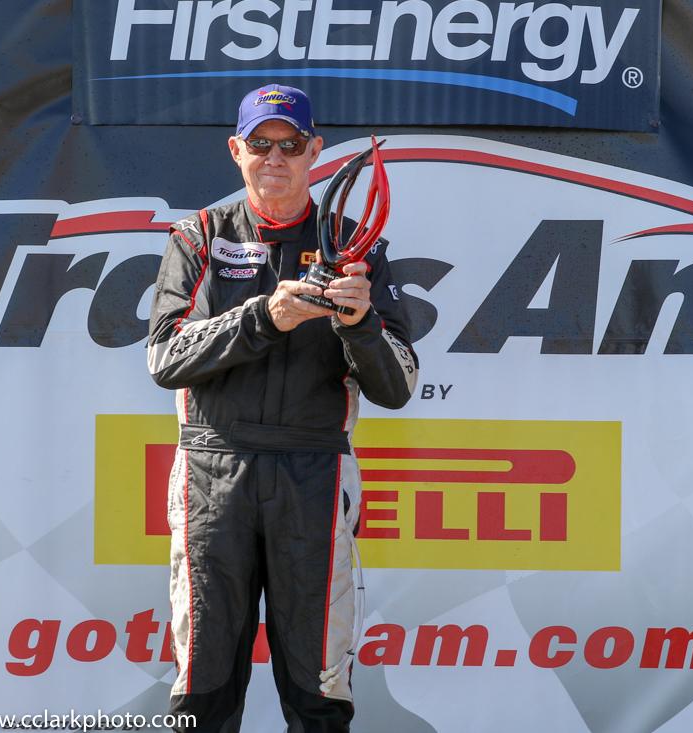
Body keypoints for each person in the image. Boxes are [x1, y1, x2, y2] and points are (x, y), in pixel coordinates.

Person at [147, 83, 418, 732]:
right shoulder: (199, 237)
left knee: (318, 692)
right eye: (261, 143)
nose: (275, 157)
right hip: (212, 474)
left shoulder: (357, 247)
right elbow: (164, 358)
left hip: (315, 476)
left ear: (315, 151)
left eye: (291, 144)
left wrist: (357, 323)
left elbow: (397, 385)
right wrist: (266, 317)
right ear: (236, 150)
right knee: (202, 689)